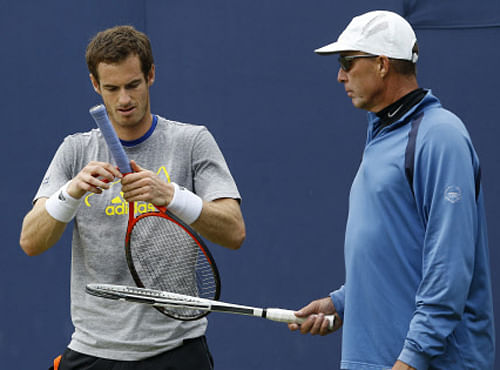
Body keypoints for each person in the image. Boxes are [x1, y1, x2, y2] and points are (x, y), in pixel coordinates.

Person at [19, 25, 246, 370]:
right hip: (92, 350)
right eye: (111, 88)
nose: (124, 99)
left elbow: (234, 231)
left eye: (133, 85)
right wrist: (71, 192)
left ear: (151, 75)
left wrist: (170, 195)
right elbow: (30, 241)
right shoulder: (75, 150)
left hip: (176, 350)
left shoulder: (192, 141)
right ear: (96, 85)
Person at [288, 10, 495, 370]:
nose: (340, 76)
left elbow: (449, 269)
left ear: (382, 65)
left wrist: (410, 359)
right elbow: (398, 256)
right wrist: (342, 304)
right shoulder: (383, 135)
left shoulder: (440, 136)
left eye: (347, 62)